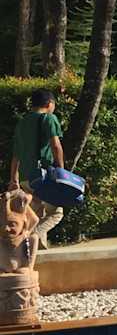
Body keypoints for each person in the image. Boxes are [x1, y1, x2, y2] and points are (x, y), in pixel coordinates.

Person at [7, 88, 65, 248]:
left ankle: (36, 251)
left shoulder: (22, 122)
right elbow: (56, 146)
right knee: (56, 213)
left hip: (25, 177)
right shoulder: (49, 118)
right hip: (42, 176)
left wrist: (14, 179)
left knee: (37, 214)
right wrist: (61, 171)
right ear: (49, 103)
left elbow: (16, 154)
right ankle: (34, 235)